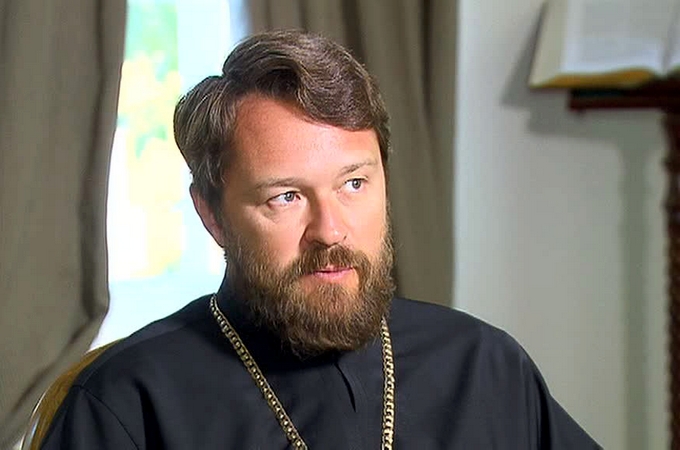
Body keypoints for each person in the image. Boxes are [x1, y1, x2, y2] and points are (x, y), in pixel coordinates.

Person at [40, 30, 600, 449]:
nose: (331, 230)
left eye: (354, 184)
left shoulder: (484, 365)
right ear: (212, 215)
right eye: (286, 197)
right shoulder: (126, 403)